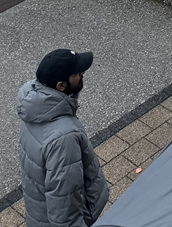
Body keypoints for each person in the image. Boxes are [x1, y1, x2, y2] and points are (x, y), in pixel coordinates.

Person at [17, 48, 109, 227]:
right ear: (61, 86)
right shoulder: (64, 138)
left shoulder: (34, 107)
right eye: (77, 73)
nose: (82, 74)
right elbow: (65, 206)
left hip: (38, 211)